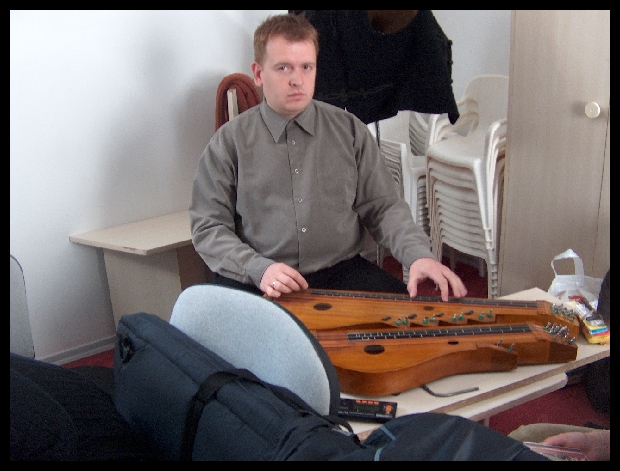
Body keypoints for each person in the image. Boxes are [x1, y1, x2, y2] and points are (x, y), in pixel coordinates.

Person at [189, 13, 467, 301]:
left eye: (306, 67)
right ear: (258, 74)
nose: (297, 80)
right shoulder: (228, 142)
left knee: (408, 316)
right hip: (259, 277)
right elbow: (208, 226)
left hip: (340, 271)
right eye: (283, 68)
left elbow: (383, 207)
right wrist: (257, 268)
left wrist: (418, 254)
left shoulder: (349, 131)